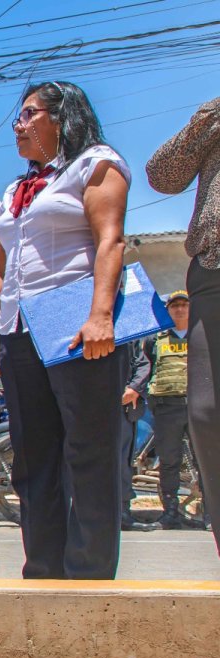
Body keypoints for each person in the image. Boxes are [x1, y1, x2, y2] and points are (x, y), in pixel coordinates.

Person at [0, 82, 131, 579]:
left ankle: (88, 571)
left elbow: (111, 240)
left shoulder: (96, 163)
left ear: (62, 117)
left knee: (88, 449)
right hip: (21, 329)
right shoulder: (17, 191)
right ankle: (43, 568)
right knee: (32, 455)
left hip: (75, 321)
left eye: (28, 114)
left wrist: (100, 315)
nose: (17, 125)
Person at [146, 97, 219, 552]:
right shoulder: (214, 120)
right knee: (208, 415)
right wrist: (208, 120)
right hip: (213, 271)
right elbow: (163, 176)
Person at [145, 291, 203, 529]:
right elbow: (147, 367)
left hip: (198, 407)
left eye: (184, 305)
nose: (179, 309)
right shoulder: (156, 339)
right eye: (174, 305)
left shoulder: (202, 336)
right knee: (169, 461)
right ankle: (170, 511)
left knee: (205, 461)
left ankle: (209, 513)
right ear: (168, 310)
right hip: (167, 406)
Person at [120, 343, 155, 532]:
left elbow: (142, 364)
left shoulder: (128, 337)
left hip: (121, 409)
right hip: (89, 409)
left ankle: (122, 512)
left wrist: (133, 389)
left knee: (123, 462)